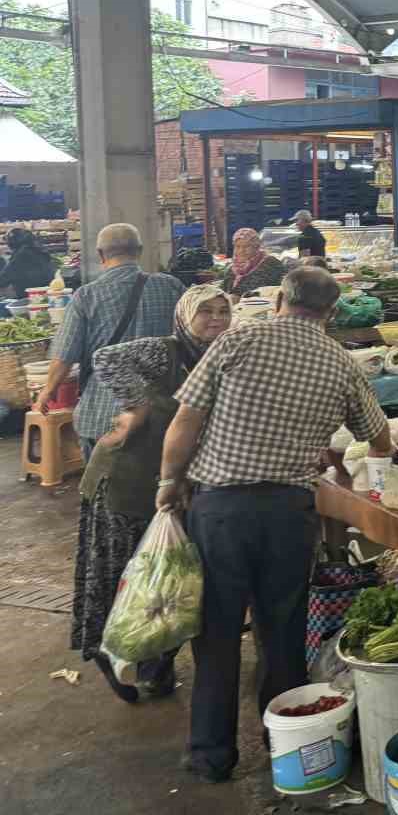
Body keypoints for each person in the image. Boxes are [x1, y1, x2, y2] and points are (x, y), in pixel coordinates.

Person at [158, 267, 391, 783]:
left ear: (282, 298)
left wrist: (168, 482)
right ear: (331, 313)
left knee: (216, 632)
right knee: (282, 629)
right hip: (289, 513)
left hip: (219, 510)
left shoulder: (238, 339)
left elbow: (186, 421)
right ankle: (283, 739)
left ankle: (210, 755)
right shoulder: (340, 360)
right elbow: (380, 439)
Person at [71, 284, 232, 703]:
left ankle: (155, 666)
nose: (216, 319)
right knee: (131, 576)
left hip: (170, 484)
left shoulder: (219, 357)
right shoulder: (167, 351)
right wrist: (138, 404)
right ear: (184, 317)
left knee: (172, 578)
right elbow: (105, 357)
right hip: (126, 479)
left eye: (222, 311)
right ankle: (116, 653)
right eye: (205, 312)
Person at [35, 224, 185, 462]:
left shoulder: (86, 296)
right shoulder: (171, 286)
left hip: (105, 415)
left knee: (103, 489)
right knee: (156, 483)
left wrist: (47, 391)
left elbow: (65, 355)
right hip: (162, 409)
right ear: (140, 251)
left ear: (101, 255)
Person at [220, 227, 287, 298]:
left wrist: (240, 298)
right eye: (237, 246)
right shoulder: (231, 268)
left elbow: (273, 291)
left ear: (256, 247)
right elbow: (222, 291)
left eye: (247, 246)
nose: (241, 251)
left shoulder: (270, 263)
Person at [0, 226, 57, 297]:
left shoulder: (21, 256)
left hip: (32, 298)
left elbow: (3, 280)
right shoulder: (40, 251)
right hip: (50, 294)